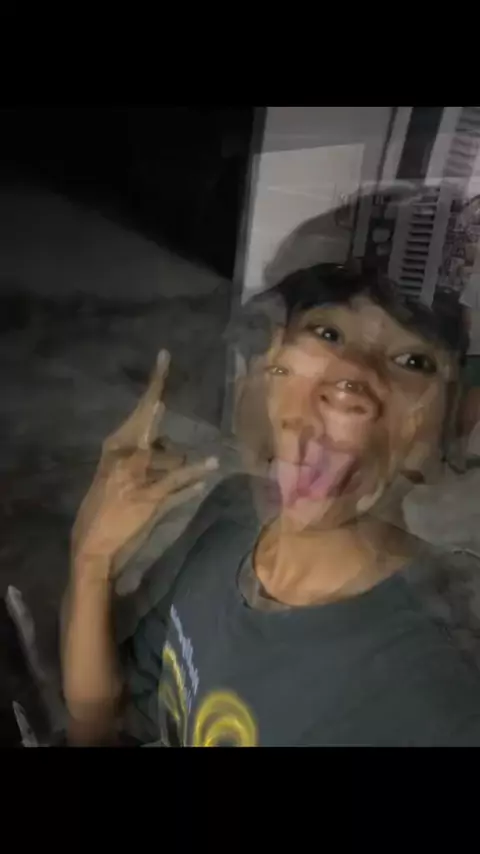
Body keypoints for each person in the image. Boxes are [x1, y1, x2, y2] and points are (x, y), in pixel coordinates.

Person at [62, 262, 480, 747]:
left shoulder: (439, 684)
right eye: (328, 333)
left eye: (412, 361)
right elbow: (106, 721)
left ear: (450, 427)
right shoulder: (234, 514)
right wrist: (90, 559)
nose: (350, 380)